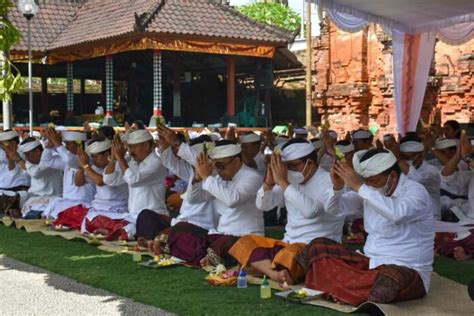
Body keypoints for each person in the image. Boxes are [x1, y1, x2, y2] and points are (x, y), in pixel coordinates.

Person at [296, 148, 434, 306]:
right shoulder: (371, 190)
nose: (369, 186)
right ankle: (350, 290)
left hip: (407, 270)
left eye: (373, 181)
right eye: (366, 182)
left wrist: (360, 186)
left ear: (393, 176)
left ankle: (336, 287)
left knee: (388, 283)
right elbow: (334, 209)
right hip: (369, 265)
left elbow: (397, 214)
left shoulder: (416, 191)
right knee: (318, 246)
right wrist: (337, 188)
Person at [229, 139, 345, 285]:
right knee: (246, 242)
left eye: (291, 166)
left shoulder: (329, 180)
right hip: (287, 243)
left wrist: (283, 183)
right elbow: (263, 205)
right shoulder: (290, 180)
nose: (287, 171)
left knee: (289, 255)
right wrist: (269, 183)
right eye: (285, 167)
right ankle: (275, 273)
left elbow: (310, 211)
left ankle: (269, 268)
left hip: (315, 248)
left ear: (309, 163)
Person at [186, 140, 263, 267]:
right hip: (220, 235)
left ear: (237, 161)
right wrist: (197, 178)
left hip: (244, 237)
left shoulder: (252, 177)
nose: (218, 170)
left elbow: (232, 200)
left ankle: (209, 256)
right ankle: (210, 256)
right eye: (216, 166)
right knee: (184, 230)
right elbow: (194, 199)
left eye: (221, 166)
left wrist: (207, 177)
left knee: (223, 243)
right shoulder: (217, 179)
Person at [153, 126, 218, 264]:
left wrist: (176, 141)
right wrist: (165, 144)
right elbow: (171, 163)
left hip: (202, 226)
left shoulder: (215, 174)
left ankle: (172, 248)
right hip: (183, 222)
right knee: (147, 217)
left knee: (181, 233)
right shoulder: (191, 171)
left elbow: (201, 163)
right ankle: (165, 245)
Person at [53, 138, 130, 240]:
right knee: (69, 212)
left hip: (115, 210)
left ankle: (108, 229)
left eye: (96, 157)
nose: (93, 160)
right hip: (97, 208)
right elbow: (78, 182)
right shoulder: (95, 167)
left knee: (97, 220)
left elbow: (101, 181)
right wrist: (81, 166)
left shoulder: (120, 166)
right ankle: (101, 228)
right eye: (92, 157)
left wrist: (85, 166)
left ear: (107, 154)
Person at [107, 129, 169, 241]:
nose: (130, 152)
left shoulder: (156, 163)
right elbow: (110, 180)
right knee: (105, 222)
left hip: (153, 216)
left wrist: (120, 158)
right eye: (129, 147)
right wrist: (113, 158)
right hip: (133, 216)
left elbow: (133, 180)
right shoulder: (133, 162)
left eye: (133, 147)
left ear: (146, 145)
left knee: (128, 230)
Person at [41, 129, 96, 220]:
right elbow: (45, 162)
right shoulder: (68, 161)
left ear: (79, 146)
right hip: (66, 202)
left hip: (83, 204)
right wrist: (49, 146)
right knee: (55, 203)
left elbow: (69, 160)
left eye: (68, 144)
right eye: (65, 144)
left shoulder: (87, 160)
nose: (66, 147)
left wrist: (57, 143)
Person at [2, 137, 62, 218]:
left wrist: (18, 159)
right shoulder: (30, 163)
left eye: (28, 154)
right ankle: (17, 211)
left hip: (50, 197)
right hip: (33, 196)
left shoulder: (50, 161)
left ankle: (20, 212)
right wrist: (11, 160)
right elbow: (13, 173)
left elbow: (35, 173)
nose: (26, 158)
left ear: (37, 152)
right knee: (12, 195)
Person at [386, 135, 441, 219]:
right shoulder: (399, 171)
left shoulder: (432, 171)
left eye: (408, 157)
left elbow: (417, 179)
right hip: (406, 218)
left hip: (430, 218)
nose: (406, 161)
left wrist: (399, 158)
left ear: (420, 154)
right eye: (403, 157)